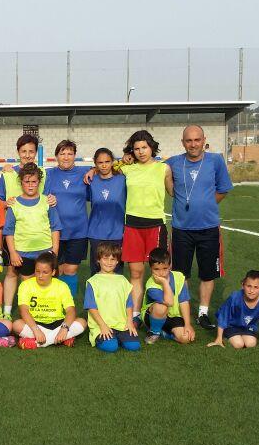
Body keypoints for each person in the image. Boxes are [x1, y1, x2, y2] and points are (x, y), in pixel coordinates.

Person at [166, 125, 233, 330]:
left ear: (204, 140)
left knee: (207, 273)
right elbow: (150, 166)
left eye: (197, 140)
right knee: (180, 273)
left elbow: (223, 189)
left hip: (208, 228)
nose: (193, 144)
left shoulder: (216, 161)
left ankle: (203, 313)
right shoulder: (173, 162)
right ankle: (181, 309)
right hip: (181, 229)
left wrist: (206, 204)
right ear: (182, 142)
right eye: (189, 140)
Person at [119, 130, 173, 327]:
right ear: (131, 151)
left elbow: (174, 191)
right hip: (132, 226)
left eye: (144, 147)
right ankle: (134, 314)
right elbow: (104, 169)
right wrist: (92, 170)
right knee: (135, 273)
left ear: (152, 148)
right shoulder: (126, 169)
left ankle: (159, 314)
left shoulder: (164, 169)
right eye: (136, 148)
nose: (141, 152)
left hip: (155, 226)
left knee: (159, 273)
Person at [2, 163, 61, 315]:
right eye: (27, 181)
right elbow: (8, 231)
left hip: (45, 252)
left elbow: (55, 227)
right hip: (23, 253)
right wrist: (13, 253)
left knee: (46, 285)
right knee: (28, 286)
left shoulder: (47, 201)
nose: (30, 185)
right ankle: (29, 315)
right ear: (21, 182)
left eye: (34, 181)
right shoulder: (14, 204)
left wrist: (54, 250)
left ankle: (46, 313)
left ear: (38, 182)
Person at [44, 140, 93, 298]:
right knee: (56, 269)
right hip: (54, 231)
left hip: (78, 231)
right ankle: (55, 301)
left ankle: (68, 304)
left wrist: (93, 170)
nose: (66, 157)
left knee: (71, 270)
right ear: (56, 156)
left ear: (75, 156)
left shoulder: (84, 172)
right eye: (62, 153)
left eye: (69, 153)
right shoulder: (48, 174)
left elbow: (104, 166)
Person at [12, 252, 86, 349]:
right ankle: (62, 339)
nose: (40, 276)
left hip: (58, 323)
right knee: (16, 325)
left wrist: (64, 329)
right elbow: (23, 310)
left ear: (53, 272)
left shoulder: (61, 285)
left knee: (82, 323)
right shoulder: (25, 285)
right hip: (35, 323)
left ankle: (37, 343)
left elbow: (70, 310)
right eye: (37, 271)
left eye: (45, 272)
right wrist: (36, 330)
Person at [83, 242, 140, 353]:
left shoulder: (123, 280)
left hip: (121, 324)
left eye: (113, 259)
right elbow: (91, 307)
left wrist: (129, 322)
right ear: (98, 260)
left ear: (117, 261)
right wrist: (103, 326)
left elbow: (128, 304)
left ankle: (117, 336)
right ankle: (109, 337)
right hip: (101, 325)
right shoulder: (93, 281)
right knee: (111, 347)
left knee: (134, 345)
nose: (109, 262)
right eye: (105, 258)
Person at [208, 270, 259, 349]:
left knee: (251, 343)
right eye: (248, 286)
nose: (251, 291)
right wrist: (219, 339)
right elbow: (223, 316)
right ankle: (226, 337)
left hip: (248, 327)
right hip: (231, 326)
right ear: (243, 285)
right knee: (238, 344)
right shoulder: (235, 297)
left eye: (256, 287)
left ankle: (240, 336)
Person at [141, 248, 195, 345]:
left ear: (170, 266)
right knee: (162, 306)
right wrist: (165, 282)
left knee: (186, 338)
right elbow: (169, 302)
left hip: (173, 316)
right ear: (151, 268)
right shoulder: (151, 284)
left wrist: (187, 325)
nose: (161, 273)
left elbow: (184, 301)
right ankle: (154, 331)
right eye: (156, 269)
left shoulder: (179, 277)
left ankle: (164, 333)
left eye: (165, 268)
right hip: (153, 316)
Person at [86, 148, 126, 276]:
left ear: (112, 162)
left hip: (117, 233)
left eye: (107, 161)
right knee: (97, 272)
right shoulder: (90, 181)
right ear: (95, 164)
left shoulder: (122, 180)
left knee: (116, 272)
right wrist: (92, 171)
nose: (104, 165)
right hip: (96, 233)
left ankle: (116, 296)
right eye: (100, 162)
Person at [0, 134, 45, 201]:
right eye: (24, 151)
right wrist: (7, 204)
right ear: (18, 152)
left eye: (31, 152)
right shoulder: (7, 175)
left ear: (36, 152)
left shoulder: (44, 174)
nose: (27, 156)